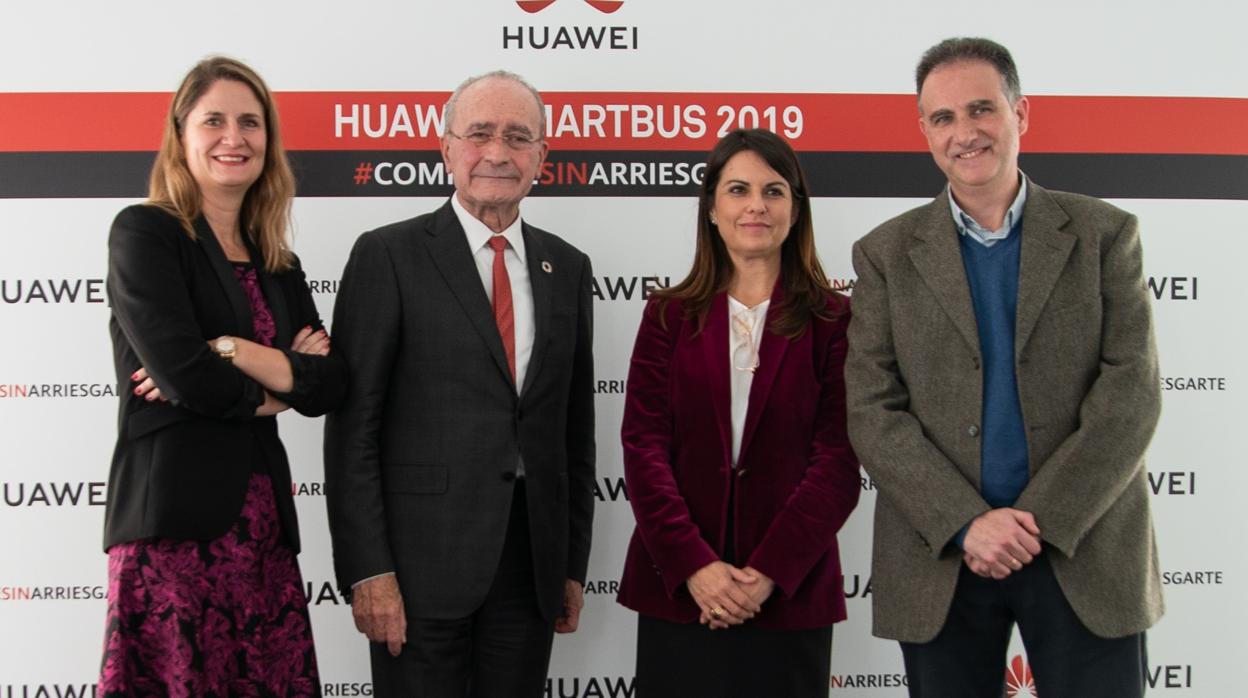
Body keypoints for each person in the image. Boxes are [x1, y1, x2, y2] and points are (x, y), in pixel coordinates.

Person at [845, 37, 1163, 697]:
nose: (965, 132)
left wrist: (1037, 520)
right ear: (926, 132)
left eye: (981, 109)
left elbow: (1130, 396)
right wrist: (968, 522)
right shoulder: (884, 254)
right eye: (944, 117)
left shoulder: (1105, 234)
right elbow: (873, 410)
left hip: (1084, 548)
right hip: (945, 557)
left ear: (1021, 114)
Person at [324, 70, 595, 697]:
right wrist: (369, 571)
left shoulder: (569, 266)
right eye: (479, 134)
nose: (498, 153)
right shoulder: (387, 255)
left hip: (530, 571)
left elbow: (574, 435)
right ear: (446, 147)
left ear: (541, 157)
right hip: (417, 573)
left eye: (518, 137)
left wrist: (571, 567)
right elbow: (353, 431)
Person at [98, 56, 346, 695]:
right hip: (174, 528)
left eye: (251, 123)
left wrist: (230, 348)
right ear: (181, 134)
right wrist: (278, 386)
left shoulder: (278, 262)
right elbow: (187, 376)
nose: (234, 138)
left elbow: (327, 385)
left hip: (264, 530)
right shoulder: (146, 233)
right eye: (214, 120)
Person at [617, 128, 861, 698]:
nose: (756, 205)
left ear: (796, 211)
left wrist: (768, 573)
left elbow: (840, 458)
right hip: (679, 593)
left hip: (788, 594)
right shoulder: (667, 316)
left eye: (774, 191)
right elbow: (644, 449)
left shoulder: (836, 320)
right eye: (738, 189)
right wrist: (696, 568)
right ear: (711, 207)